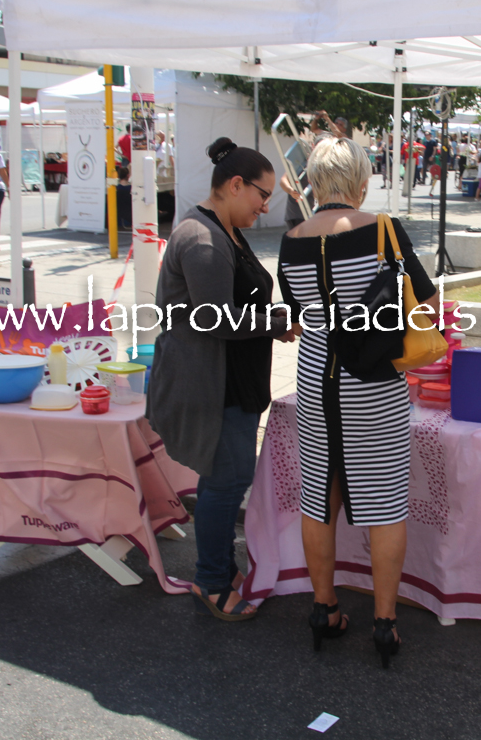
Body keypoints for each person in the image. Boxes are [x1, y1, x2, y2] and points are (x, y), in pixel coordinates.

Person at [277, 136, 438, 667]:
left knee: (319, 496)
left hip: (314, 380)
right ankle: (384, 623)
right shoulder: (382, 229)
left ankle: (324, 608)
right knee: (385, 502)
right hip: (372, 381)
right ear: (361, 183)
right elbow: (426, 298)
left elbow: (298, 314)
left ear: (313, 183)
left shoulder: (292, 240)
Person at [146, 137, 295, 622]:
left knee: (229, 479)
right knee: (226, 482)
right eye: (262, 194)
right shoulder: (203, 238)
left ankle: (221, 567)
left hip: (230, 380)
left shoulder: (223, 229)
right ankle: (210, 580)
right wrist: (275, 322)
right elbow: (216, 320)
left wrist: (274, 319)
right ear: (235, 185)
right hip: (214, 385)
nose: (265, 205)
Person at [115, 164, 132, 230]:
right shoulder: (131, 189)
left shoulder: (116, 189)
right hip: (131, 213)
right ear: (128, 175)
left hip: (120, 214)